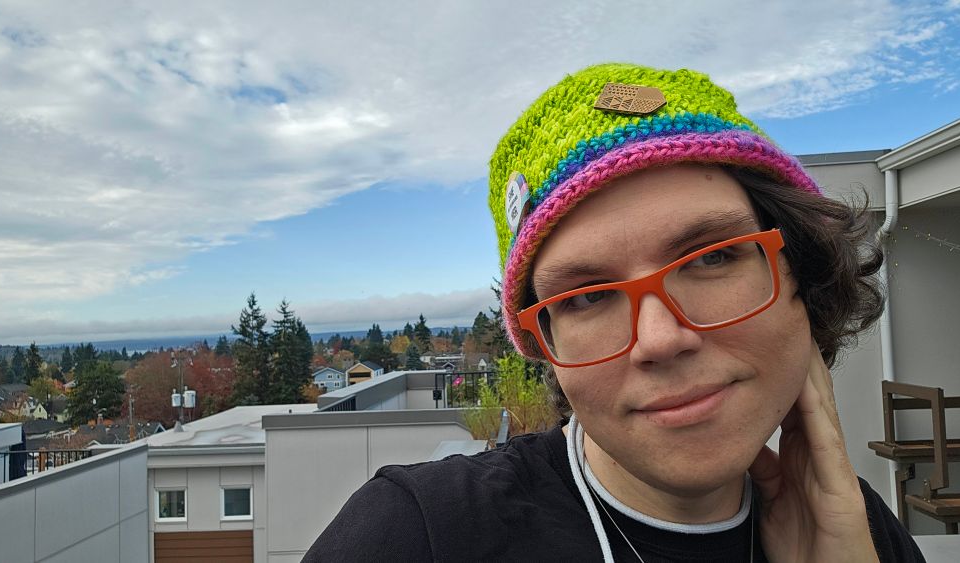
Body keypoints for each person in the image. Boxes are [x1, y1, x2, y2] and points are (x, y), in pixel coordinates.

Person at [304, 64, 925, 562]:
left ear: (803, 276)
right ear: (545, 345)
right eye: (586, 297)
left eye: (710, 259)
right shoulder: (420, 534)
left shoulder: (858, 529)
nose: (659, 339)